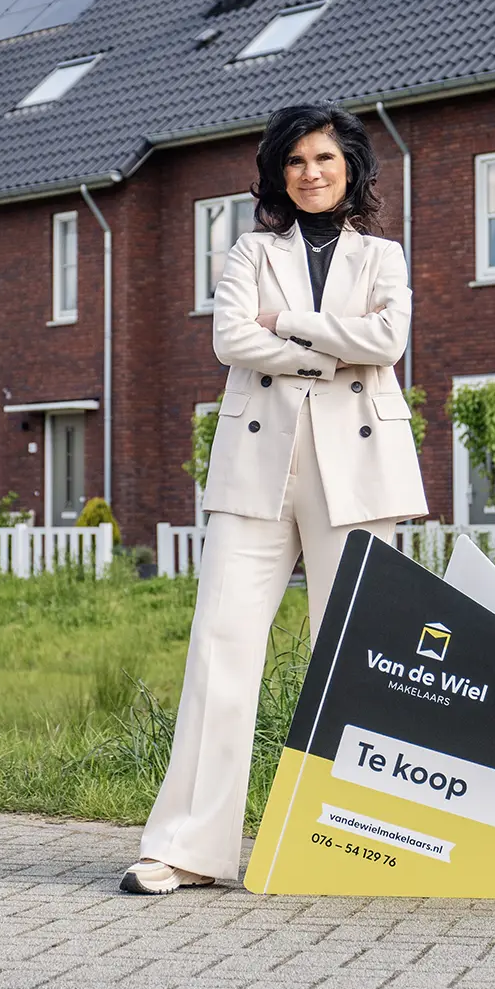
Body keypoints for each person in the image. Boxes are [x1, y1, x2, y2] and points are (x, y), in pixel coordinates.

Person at [122, 104, 427, 894]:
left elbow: (387, 341)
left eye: (325, 157)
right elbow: (231, 339)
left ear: (351, 167)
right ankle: (187, 850)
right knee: (221, 646)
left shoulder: (383, 256)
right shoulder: (250, 251)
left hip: (357, 472)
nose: (311, 172)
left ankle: (355, 848)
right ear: (276, 174)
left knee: (357, 657)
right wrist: (329, 353)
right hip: (258, 467)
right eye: (295, 161)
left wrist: (288, 322)